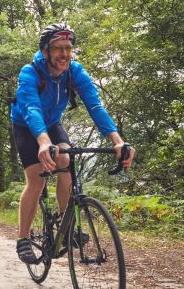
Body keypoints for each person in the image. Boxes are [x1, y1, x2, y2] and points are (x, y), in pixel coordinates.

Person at [10, 23, 135, 264]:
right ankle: (23, 239)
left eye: (68, 48)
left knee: (65, 159)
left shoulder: (74, 71)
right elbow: (32, 109)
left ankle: (65, 226)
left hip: (53, 123)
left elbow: (95, 106)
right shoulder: (29, 72)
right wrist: (43, 141)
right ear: (45, 51)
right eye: (58, 48)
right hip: (26, 125)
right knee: (37, 178)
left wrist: (117, 140)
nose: (65, 54)